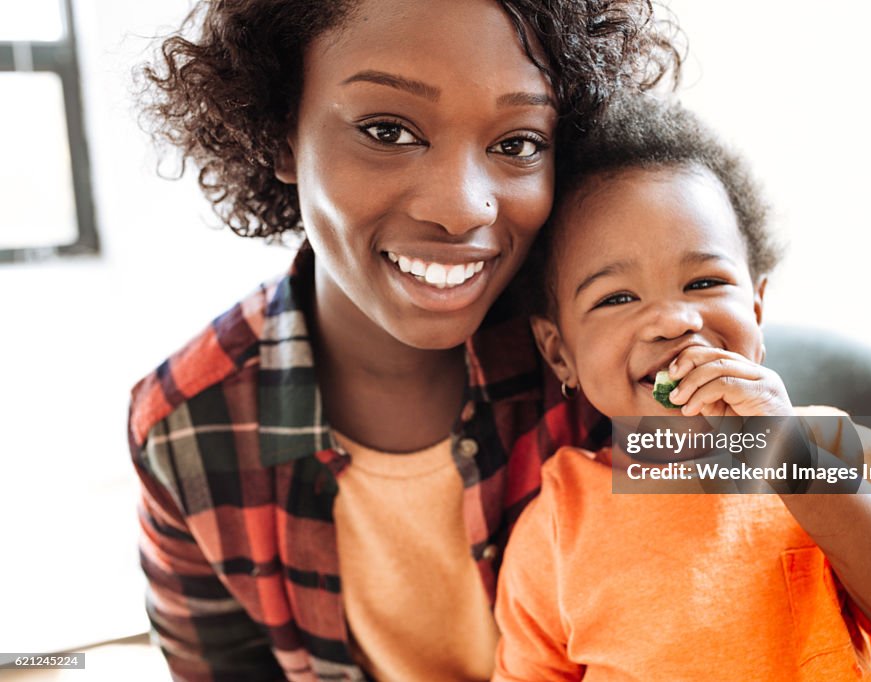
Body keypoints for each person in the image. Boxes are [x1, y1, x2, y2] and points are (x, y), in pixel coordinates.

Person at [128, 1, 682, 680]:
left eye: (518, 143)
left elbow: (841, 471)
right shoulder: (185, 426)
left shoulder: (608, 346)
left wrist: (773, 441)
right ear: (279, 134)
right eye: (387, 130)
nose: (460, 207)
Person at [492, 96, 871, 681]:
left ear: (757, 306)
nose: (673, 321)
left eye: (704, 281)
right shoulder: (557, 525)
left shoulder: (828, 446)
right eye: (617, 297)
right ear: (558, 352)